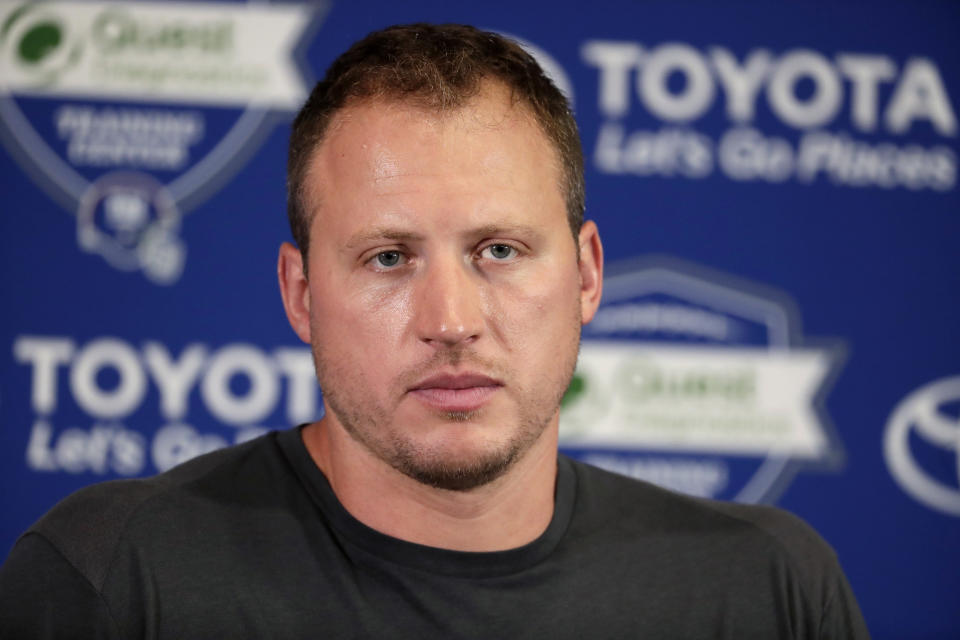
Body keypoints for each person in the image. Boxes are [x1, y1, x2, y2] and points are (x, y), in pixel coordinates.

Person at [0, 23, 869, 638]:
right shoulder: (112, 576)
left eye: (499, 249)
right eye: (387, 258)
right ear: (299, 293)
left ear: (588, 275)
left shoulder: (767, 590)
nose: (451, 321)